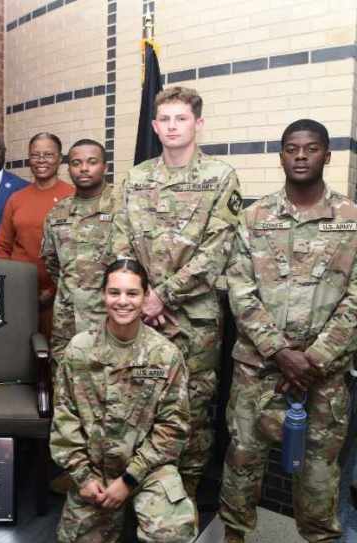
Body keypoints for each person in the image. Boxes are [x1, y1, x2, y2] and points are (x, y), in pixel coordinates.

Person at [210, 120, 356, 543]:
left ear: (327, 156)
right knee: (242, 458)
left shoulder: (350, 219)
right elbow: (239, 288)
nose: (300, 156)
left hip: (323, 376)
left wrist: (314, 358)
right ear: (281, 156)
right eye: (291, 148)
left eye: (311, 149)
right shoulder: (254, 218)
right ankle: (233, 538)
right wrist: (280, 352)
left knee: (319, 470)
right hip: (258, 368)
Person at [112, 86, 242, 499]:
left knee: (193, 408)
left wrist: (161, 296)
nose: (172, 126)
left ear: (198, 124)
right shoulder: (136, 178)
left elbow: (218, 250)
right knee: (140, 400)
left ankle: (180, 499)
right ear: (154, 126)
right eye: (165, 119)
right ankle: (141, 491)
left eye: (181, 118)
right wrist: (141, 299)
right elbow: (121, 244)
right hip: (139, 316)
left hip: (195, 320)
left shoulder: (220, 177)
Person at [51, 258, 197, 543]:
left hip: (146, 469)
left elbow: (174, 428)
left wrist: (129, 480)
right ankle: (116, 519)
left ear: (145, 297)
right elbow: (64, 420)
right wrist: (83, 477)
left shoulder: (165, 355)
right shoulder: (79, 350)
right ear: (103, 295)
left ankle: (146, 522)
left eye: (132, 294)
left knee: (171, 534)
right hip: (96, 468)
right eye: (114, 292)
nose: (122, 301)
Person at [42, 138, 115, 369]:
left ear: (105, 167)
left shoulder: (123, 207)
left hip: (111, 318)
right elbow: (52, 261)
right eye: (76, 163)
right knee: (64, 382)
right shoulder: (58, 212)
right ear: (69, 169)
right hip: (67, 320)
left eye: (92, 162)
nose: (83, 168)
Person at [0, 132, 74, 338]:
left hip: (60, 295)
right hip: (20, 292)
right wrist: (13, 283)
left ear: (59, 159)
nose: (41, 160)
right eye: (35, 155)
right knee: (19, 350)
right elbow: (3, 246)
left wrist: (53, 289)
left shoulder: (72, 196)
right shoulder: (16, 199)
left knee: (53, 354)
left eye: (48, 155)